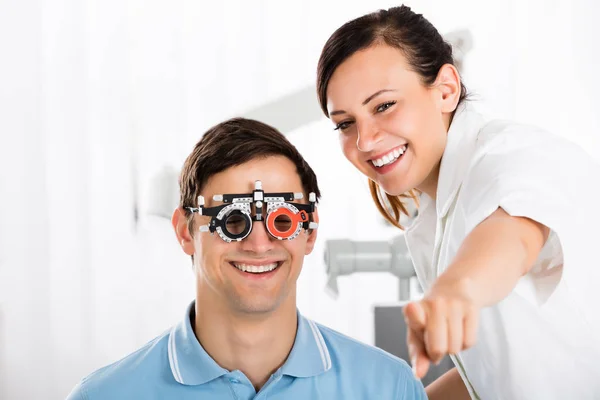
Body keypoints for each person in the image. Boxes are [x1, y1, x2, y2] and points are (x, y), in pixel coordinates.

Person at [316, 4, 600, 400]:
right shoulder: (433, 213)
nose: (364, 141)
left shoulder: (513, 154)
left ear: (446, 90)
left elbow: (513, 235)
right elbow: (496, 377)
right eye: (346, 123)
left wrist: (457, 290)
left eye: (384, 106)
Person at [66, 118, 427, 399]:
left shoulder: (388, 388)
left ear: (310, 232)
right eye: (233, 221)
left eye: (281, 220)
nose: (258, 243)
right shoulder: (103, 396)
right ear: (184, 231)